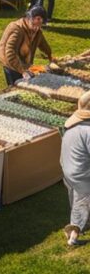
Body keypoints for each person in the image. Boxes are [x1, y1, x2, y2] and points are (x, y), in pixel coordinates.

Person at [0, 6, 53, 86]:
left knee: (26, 83)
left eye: (39, 26)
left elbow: (43, 43)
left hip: (24, 62)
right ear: (28, 18)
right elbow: (9, 52)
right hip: (10, 62)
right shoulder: (17, 29)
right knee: (15, 86)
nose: (36, 29)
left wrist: (50, 55)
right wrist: (22, 71)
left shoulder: (36, 30)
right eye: (34, 25)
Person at [61, 91, 90, 246]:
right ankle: (73, 235)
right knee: (83, 201)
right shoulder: (88, 131)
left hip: (68, 168)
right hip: (82, 173)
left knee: (77, 198)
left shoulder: (72, 128)